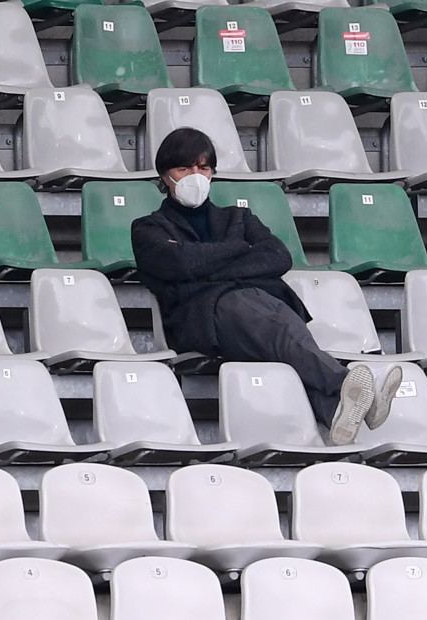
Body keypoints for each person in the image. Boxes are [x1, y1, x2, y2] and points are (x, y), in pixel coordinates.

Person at [131, 127, 401, 445]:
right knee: (268, 321)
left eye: (203, 168)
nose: (195, 175)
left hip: (257, 307)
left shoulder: (238, 218)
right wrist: (238, 250)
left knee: (273, 328)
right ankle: (347, 383)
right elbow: (178, 262)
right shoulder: (147, 228)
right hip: (202, 318)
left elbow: (277, 257)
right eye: (184, 168)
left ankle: (338, 409)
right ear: (165, 176)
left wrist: (207, 266)